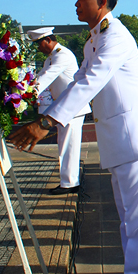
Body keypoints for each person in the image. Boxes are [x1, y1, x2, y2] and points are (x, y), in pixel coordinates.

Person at [10, 0, 138, 274]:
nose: (77, 4)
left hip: (133, 138)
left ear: (102, 2)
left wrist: (46, 123)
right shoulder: (96, 37)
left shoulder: (116, 37)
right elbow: (80, 80)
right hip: (119, 137)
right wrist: (43, 116)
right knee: (127, 215)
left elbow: (89, 82)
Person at [28, 27, 92, 195]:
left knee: (68, 146)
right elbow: (41, 75)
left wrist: (31, 91)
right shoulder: (51, 58)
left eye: (39, 44)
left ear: (48, 40)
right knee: (65, 145)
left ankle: (69, 183)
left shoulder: (62, 55)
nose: (38, 48)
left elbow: (48, 76)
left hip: (72, 107)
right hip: (63, 107)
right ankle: (69, 181)